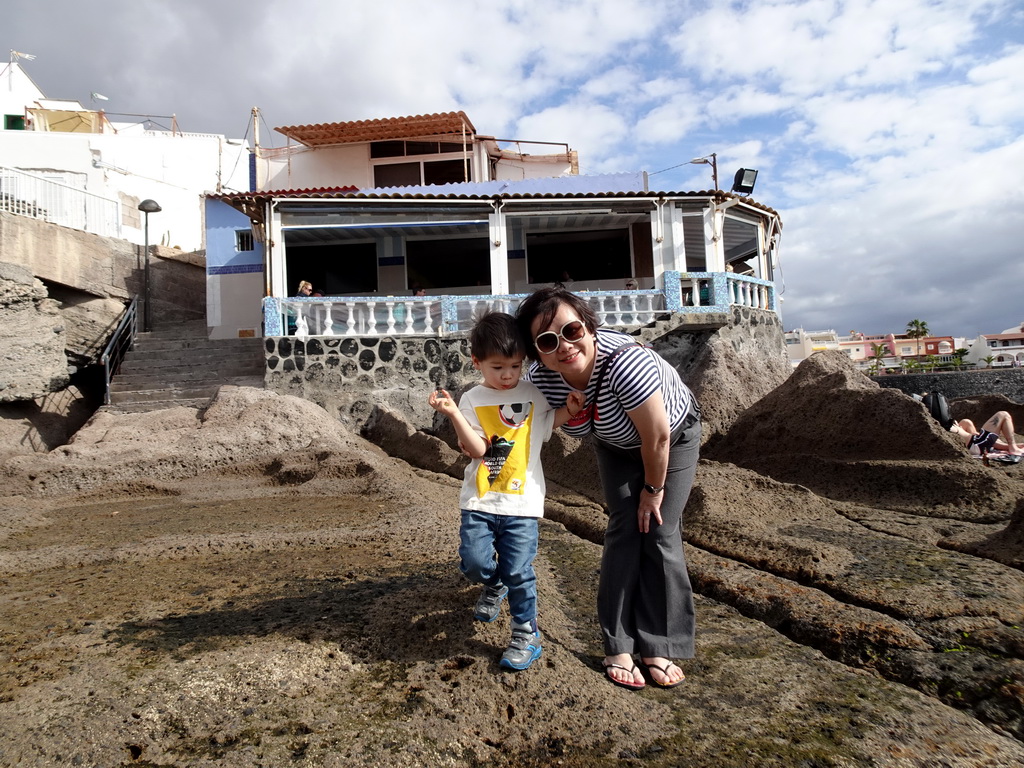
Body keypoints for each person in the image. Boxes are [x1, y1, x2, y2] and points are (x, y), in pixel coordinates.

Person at [515, 285, 700, 690]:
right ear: (536, 352)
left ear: (589, 327)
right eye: (548, 341)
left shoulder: (625, 365)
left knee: (660, 530)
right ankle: (618, 642)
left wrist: (652, 492)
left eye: (572, 330)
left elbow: (658, 438)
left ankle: (659, 642)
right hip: (614, 444)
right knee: (622, 529)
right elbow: (526, 421)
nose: (564, 347)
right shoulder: (540, 378)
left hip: (673, 437)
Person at [428, 312, 585, 671]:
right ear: (477, 362)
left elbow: (544, 425)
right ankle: (492, 583)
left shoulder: (532, 393)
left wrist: (568, 412)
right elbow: (477, 450)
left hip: (523, 502)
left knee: (519, 570)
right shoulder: (471, 399)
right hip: (480, 499)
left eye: (515, 366)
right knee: (475, 564)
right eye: (498, 367)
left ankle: (526, 634)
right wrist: (453, 413)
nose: (508, 375)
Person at [950, 411, 1023, 456]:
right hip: (977, 445)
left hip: (974, 444)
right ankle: (1013, 447)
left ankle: (1002, 446)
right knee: (1003, 414)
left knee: (966, 422)